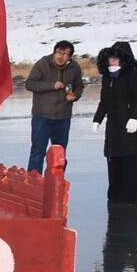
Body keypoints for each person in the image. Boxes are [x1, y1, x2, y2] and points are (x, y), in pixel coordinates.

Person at [91, 41, 137, 203]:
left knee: (129, 159)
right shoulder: (108, 77)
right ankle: (115, 194)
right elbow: (104, 101)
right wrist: (98, 119)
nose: (112, 61)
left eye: (115, 58)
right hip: (113, 124)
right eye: (110, 58)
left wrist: (134, 117)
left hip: (129, 123)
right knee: (113, 157)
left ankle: (132, 195)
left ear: (123, 59)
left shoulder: (133, 73)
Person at [22, 40, 85, 173]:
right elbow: (30, 84)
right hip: (42, 116)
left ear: (70, 57)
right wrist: (51, 85)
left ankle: (56, 182)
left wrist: (75, 96)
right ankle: (34, 182)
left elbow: (79, 86)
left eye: (65, 54)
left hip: (63, 117)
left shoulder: (74, 68)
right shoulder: (43, 64)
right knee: (38, 151)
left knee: (60, 154)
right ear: (54, 52)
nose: (60, 56)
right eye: (58, 52)